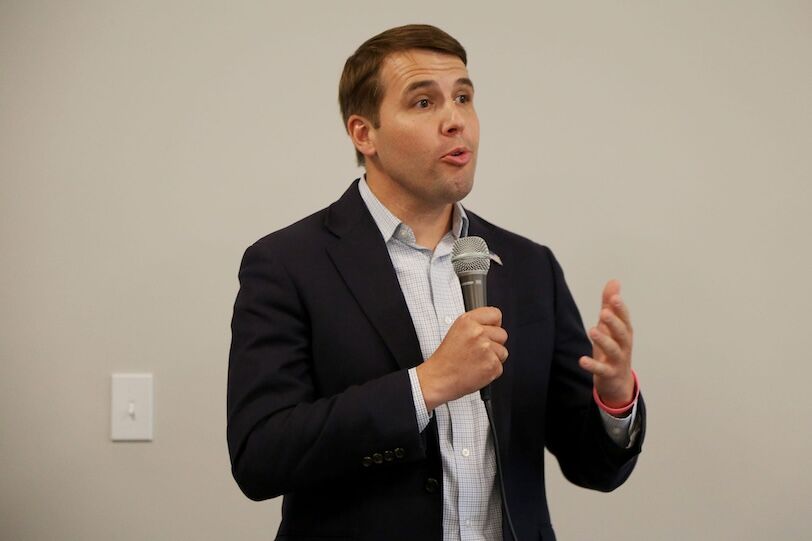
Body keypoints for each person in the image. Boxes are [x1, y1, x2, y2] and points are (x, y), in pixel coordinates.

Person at [227, 24, 645, 541]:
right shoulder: (287, 264)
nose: (455, 121)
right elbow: (260, 455)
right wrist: (423, 387)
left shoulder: (529, 267)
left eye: (463, 98)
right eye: (423, 103)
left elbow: (595, 467)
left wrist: (614, 399)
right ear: (365, 134)